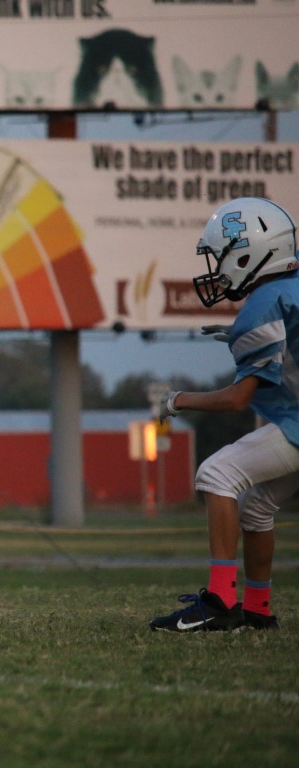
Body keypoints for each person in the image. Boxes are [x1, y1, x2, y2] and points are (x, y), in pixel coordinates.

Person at [150, 196, 299, 633]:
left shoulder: (264, 302)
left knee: (217, 474)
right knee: (258, 507)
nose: (218, 268)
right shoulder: (287, 288)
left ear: (251, 253)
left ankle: (219, 601)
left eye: (224, 256)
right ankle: (257, 610)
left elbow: (237, 399)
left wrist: (178, 400)